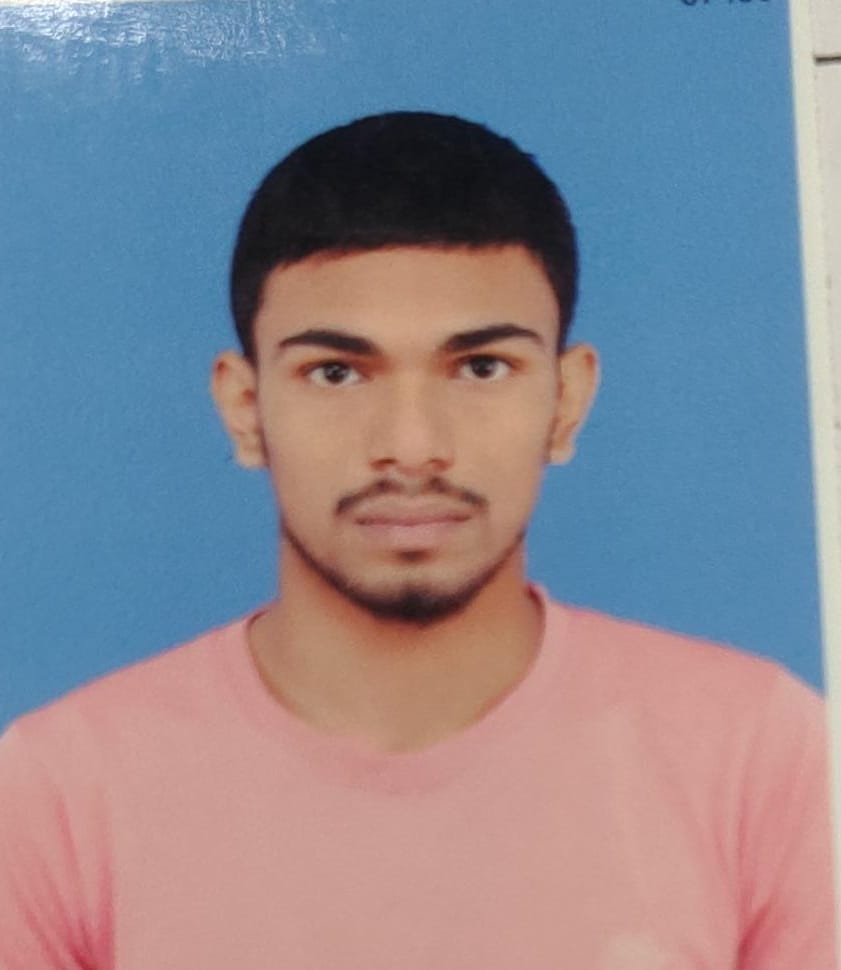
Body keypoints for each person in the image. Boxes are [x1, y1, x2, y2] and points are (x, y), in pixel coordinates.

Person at [0, 111, 836, 969]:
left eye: (480, 367)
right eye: (335, 372)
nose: (409, 445)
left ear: (567, 400)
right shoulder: (58, 795)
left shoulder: (760, 757)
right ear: (244, 409)